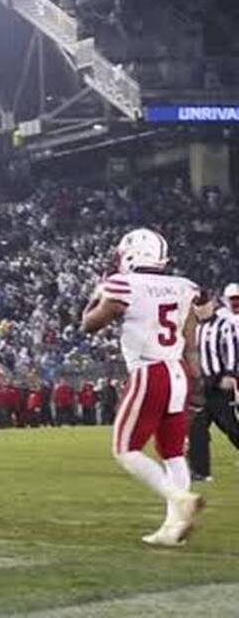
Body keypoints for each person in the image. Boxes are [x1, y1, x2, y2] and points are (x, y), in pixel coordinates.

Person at [81, 228, 204, 546]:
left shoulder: (123, 284)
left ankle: (179, 498)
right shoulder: (183, 286)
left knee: (125, 448)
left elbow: (89, 324)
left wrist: (96, 296)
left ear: (131, 253)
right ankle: (173, 528)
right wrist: (197, 379)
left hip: (150, 370)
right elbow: (191, 340)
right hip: (179, 371)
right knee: (173, 452)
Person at [186, 295, 239, 482]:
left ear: (212, 305)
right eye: (197, 305)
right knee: (196, 428)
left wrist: (230, 374)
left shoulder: (225, 325)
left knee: (230, 426)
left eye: (203, 305)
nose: (200, 309)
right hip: (200, 385)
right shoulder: (194, 328)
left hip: (218, 382)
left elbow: (233, 350)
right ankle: (200, 471)